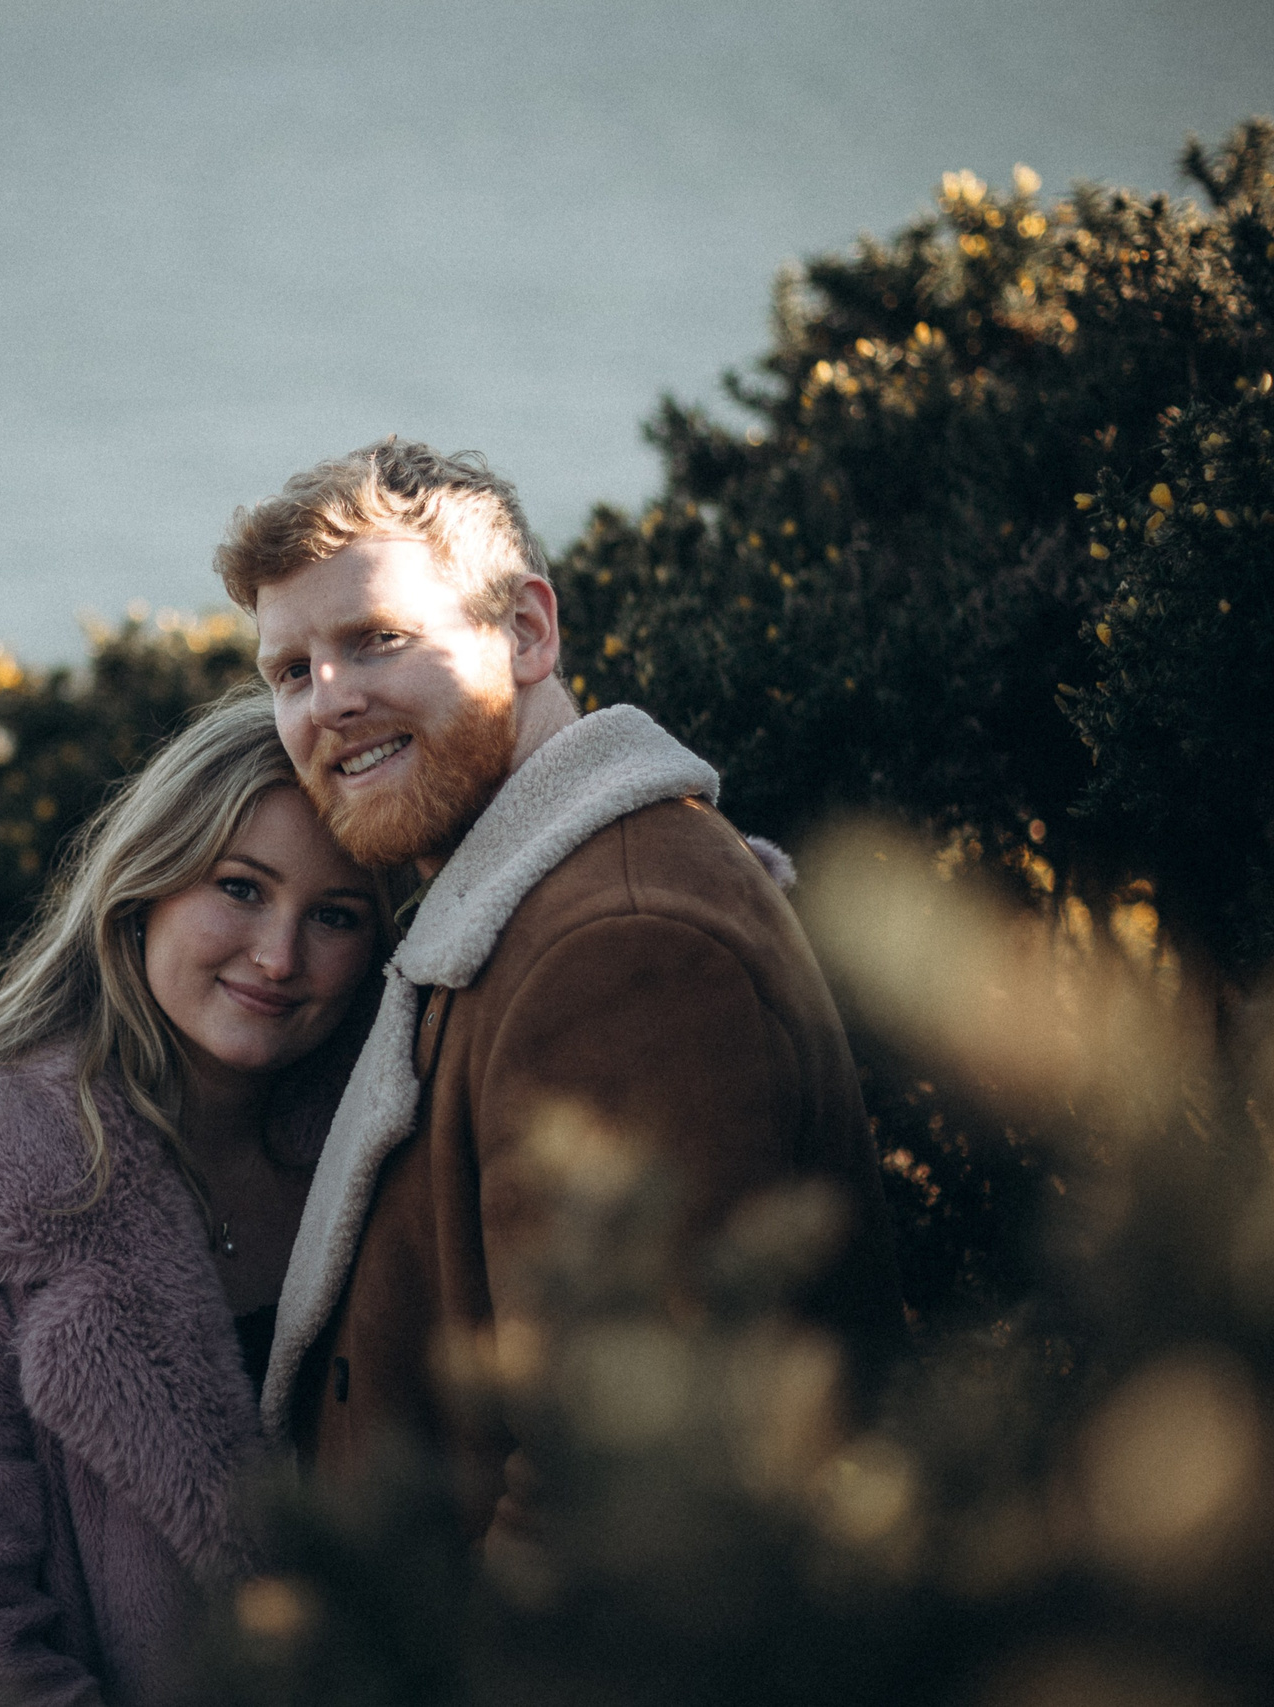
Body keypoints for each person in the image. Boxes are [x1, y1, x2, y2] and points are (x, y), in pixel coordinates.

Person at [217, 438, 904, 1543]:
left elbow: (620, 1485)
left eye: (375, 640)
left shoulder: (621, 948)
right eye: (290, 672)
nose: (325, 703)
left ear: (526, 630)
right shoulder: (532, 901)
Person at [0, 689, 390, 1707]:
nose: (278, 956)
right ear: (144, 893)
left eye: (337, 915)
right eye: (240, 887)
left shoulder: (384, 1167)